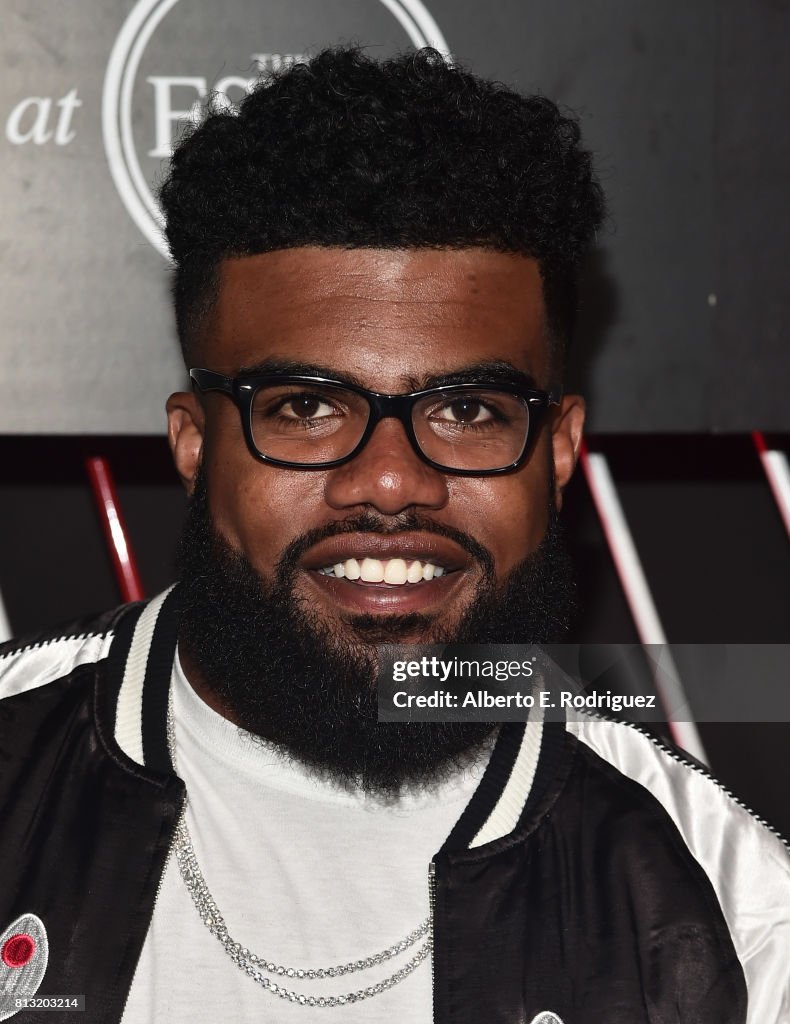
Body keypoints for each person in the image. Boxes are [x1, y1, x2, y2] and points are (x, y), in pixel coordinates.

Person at [0, 46, 787, 1024]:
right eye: (304, 407)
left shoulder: (729, 898)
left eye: (466, 411)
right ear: (196, 443)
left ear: (557, 449)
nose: (389, 482)